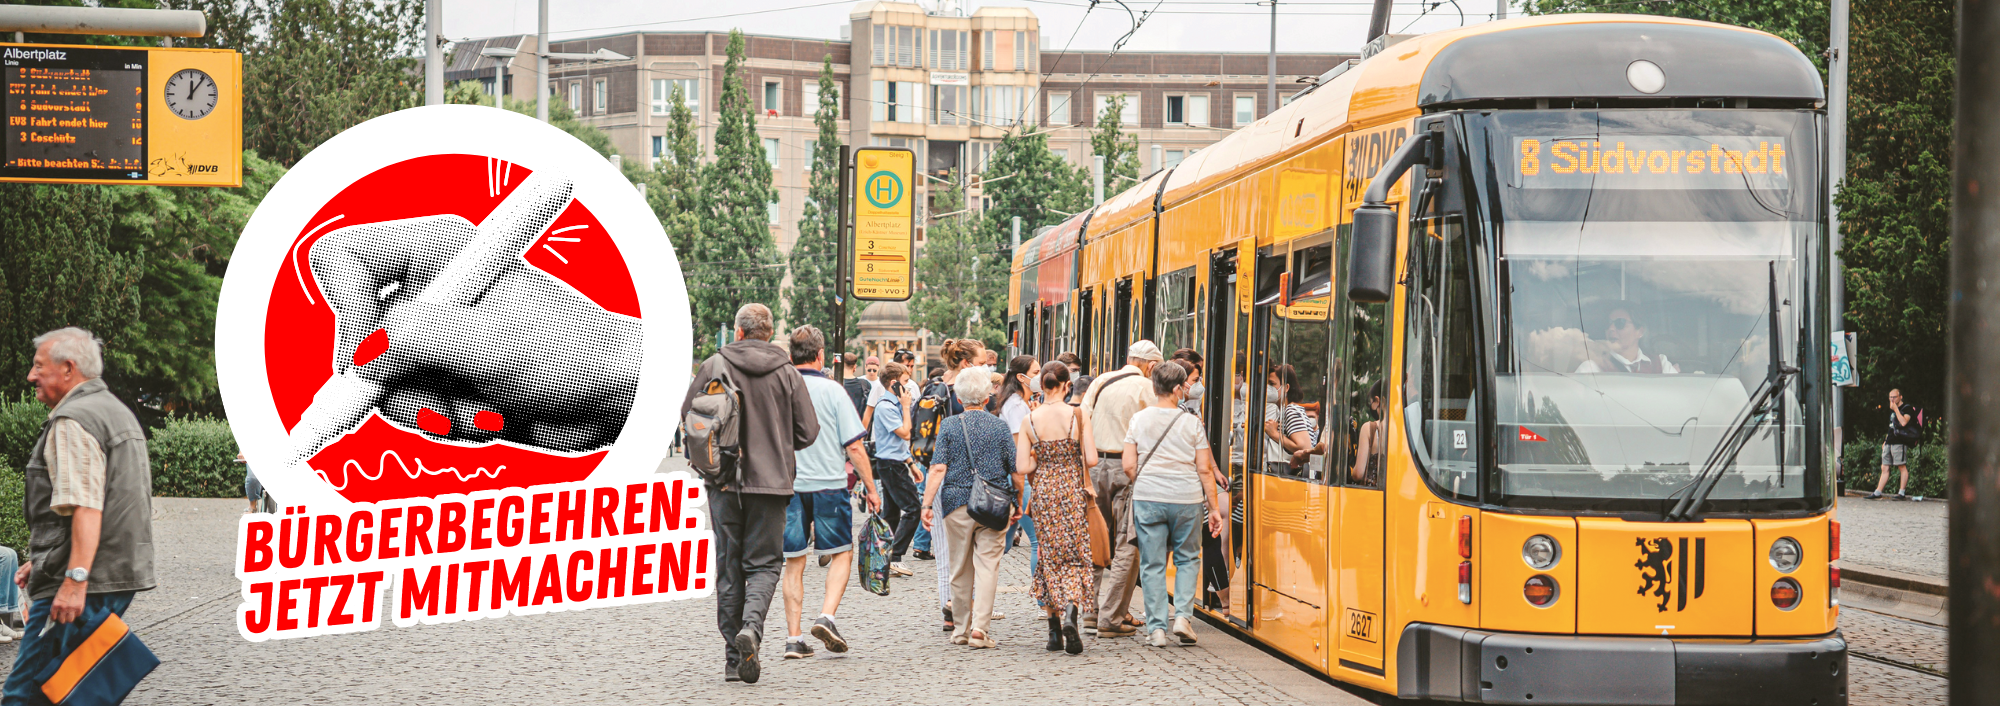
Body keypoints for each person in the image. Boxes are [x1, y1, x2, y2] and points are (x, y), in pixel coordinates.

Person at [6, 327, 157, 705]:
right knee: (69, 691)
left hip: (79, 582)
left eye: (39, 366)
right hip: (111, 574)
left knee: (27, 693)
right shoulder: (115, 412)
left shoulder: (75, 420)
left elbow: (88, 507)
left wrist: (73, 578)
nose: (31, 376)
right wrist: (39, 559)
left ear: (69, 369)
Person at [678, 304, 819, 684]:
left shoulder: (714, 365)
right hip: (771, 483)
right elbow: (808, 432)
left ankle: (731, 660)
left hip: (723, 481)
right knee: (765, 564)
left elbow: (688, 416)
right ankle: (752, 630)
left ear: (738, 332)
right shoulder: (787, 371)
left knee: (729, 567)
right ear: (769, 334)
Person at [780, 326, 880, 660]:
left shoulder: (778, 388)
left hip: (788, 487)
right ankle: (826, 616)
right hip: (829, 485)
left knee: (793, 562)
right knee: (841, 552)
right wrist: (870, 486)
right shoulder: (834, 391)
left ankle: (793, 639)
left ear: (791, 354)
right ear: (821, 354)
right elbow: (854, 445)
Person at [1122, 361, 1225, 648]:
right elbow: (1205, 470)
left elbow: (1129, 464)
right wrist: (1214, 510)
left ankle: (1156, 629)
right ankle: (1182, 618)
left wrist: (1146, 482)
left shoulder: (1138, 420)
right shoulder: (1192, 423)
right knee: (1188, 559)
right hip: (1186, 500)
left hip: (1148, 497)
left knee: (1153, 564)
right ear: (1178, 388)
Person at [920, 366, 1015, 648]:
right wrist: (1019, 501)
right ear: (987, 397)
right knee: (988, 566)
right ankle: (980, 630)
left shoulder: (949, 425)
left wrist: (927, 504)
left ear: (959, 399)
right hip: (994, 505)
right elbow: (1016, 469)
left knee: (959, 568)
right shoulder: (999, 426)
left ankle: (960, 629)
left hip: (956, 504)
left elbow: (937, 468)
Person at [1078, 340, 1163, 636]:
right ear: (1151, 366)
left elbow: (1081, 420)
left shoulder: (1101, 380)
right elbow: (1155, 430)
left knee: (1096, 538)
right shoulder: (1145, 389)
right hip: (1127, 469)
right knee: (1128, 542)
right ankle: (1111, 616)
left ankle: (1089, 611)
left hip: (1094, 465)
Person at [1014, 361, 1098, 654]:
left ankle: (1053, 631)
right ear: (1066, 386)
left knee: (1049, 556)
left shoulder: (1030, 420)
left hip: (1045, 495)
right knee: (1074, 556)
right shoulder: (1078, 414)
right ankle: (1072, 614)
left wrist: (1042, 460)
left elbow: (1022, 466)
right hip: (1072, 492)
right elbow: (1091, 459)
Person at [920, 339, 985, 631]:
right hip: (963, 475)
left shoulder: (934, 386)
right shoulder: (968, 391)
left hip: (936, 471)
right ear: (967, 363)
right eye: (982, 363)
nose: (986, 368)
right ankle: (964, 606)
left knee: (944, 548)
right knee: (970, 545)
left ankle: (949, 606)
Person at [871, 362, 922, 576]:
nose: (908, 388)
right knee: (913, 509)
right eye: (904, 382)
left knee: (891, 515)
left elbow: (899, 444)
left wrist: (911, 464)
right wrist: (906, 407)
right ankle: (896, 556)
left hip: (895, 463)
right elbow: (906, 433)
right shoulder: (885, 406)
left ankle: (883, 558)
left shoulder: (890, 405)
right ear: (894, 384)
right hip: (890, 465)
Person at [993, 356, 1041, 570]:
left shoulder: (1020, 404)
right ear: (1022, 377)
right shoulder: (1015, 405)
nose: (1040, 377)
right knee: (1038, 540)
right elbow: (1017, 448)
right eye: (1036, 372)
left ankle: (971, 584)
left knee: (1001, 544)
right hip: (1019, 479)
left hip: (1018, 478)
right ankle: (1042, 600)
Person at [1575, 303, 1680, 374]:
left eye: (1620, 323)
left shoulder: (1660, 363)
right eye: (1608, 324)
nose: (1611, 329)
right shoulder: (1591, 369)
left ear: (1640, 331)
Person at [1263, 365, 1315, 478]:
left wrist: (1274, 434)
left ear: (1286, 388)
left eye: (1272, 384)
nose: (1267, 388)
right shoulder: (1286, 411)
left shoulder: (1291, 410)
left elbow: (1304, 447)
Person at [1869, 388, 1919, 500]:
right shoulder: (1892, 410)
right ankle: (1878, 492)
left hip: (1900, 441)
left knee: (1901, 466)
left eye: (1894, 397)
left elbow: (1903, 422)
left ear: (1900, 397)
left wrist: (1896, 409)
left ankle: (1901, 493)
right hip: (1890, 441)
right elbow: (1892, 427)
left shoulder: (1907, 408)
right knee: (1884, 466)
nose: (1892, 399)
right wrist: (1885, 441)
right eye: (1890, 397)